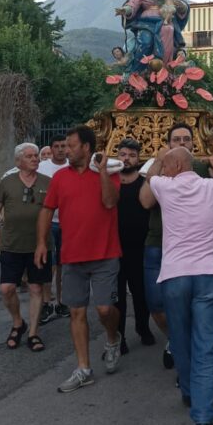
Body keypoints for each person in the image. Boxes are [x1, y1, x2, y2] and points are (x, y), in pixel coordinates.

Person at [139, 147, 213, 425]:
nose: (165, 169)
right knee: (206, 345)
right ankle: (204, 416)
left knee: (180, 338)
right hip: (208, 274)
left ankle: (187, 389)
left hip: (175, 275)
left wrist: (158, 160)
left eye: (168, 165)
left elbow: (148, 185)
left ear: (176, 165)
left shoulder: (163, 186)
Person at [35, 125, 122, 393]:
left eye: (72, 146)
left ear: (86, 147)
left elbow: (109, 202)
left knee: (105, 309)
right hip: (72, 255)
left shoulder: (111, 173)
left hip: (105, 253)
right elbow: (47, 210)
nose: (67, 150)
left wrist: (104, 171)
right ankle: (83, 368)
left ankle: (112, 337)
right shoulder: (60, 177)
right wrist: (41, 243)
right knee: (76, 311)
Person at [140, 122, 211, 370]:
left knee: (190, 303)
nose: (182, 143)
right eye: (176, 139)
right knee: (156, 304)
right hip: (157, 242)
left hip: (190, 248)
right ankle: (176, 339)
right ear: (168, 144)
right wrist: (159, 163)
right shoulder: (155, 167)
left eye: (186, 139)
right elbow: (146, 202)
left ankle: (187, 346)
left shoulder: (201, 168)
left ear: (194, 143)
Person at [0, 143, 51, 351]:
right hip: (12, 243)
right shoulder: (7, 182)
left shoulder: (48, 182)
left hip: (40, 245)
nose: (35, 159)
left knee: (36, 287)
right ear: (18, 161)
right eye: (29, 156)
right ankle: (18, 322)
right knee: (7, 288)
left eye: (36, 156)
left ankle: (33, 333)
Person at [114, 138, 154, 353]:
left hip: (140, 246)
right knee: (117, 296)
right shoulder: (109, 181)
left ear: (139, 158)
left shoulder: (144, 182)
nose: (127, 159)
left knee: (141, 292)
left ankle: (143, 327)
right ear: (117, 156)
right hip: (114, 247)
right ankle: (118, 336)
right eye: (123, 154)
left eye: (131, 155)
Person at [115, 0, 188, 69]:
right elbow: (133, 4)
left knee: (168, 30)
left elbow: (178, 2)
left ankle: (165, 69)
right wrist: (125, 10)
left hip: (164, 18)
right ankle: (138, 71)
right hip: (146, 22)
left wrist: (182, 6)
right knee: (146, 41)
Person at [37, 134, 71, 321]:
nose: (60, 149)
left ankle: (62, 301)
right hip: (49, 221)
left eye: (63, 146)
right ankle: (45, 303)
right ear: (51, 149)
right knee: (47, 264)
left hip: (67, 222)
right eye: (56, 146)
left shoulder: (72, 167)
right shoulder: (42, 168)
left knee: (63, 264)